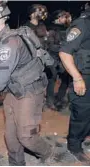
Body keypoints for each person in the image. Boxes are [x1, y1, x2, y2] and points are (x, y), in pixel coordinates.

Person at [0, 1, 66, 165]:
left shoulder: (9, 43)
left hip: (29, 92)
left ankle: (49, 152)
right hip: (13, 91)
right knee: (11, 139)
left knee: (26, 137)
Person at [59, 2, 90, 164]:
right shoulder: (83, 23)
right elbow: (65, 53)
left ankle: (86, 135)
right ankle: (74, 145)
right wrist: (77, 78)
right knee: (82, 113)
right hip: (83, 76)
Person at [47, 10, 72, 111]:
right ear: (58, 18)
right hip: (53, 59)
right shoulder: (52, 30)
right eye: (64, 17)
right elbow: (51, 46)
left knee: (66, 80)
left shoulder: (68, 30)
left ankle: (60, 98)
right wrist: (63, 47)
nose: (66, 19)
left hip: (64, 58)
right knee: (52, 81)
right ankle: (50, 101)